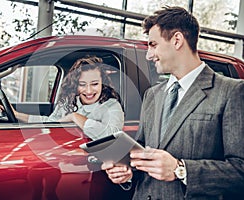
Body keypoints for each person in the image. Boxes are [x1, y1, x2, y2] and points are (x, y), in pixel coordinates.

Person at [102, 6, 244, 199]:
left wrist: (181, 169)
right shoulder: (152, 94)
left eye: (153, 44)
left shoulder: (231, 91)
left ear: (177, 40)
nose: (148, 55)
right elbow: (143, 149)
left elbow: (240, 171)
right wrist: (127, 169)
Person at [14, 55, 124, 140]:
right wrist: (17, 115)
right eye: (82, 84)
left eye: (94, 84)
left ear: (102, 83)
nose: (89, 91)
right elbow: (51, 122)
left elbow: (112, 135)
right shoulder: (68, 102)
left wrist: (75, 117)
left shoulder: (112, 106)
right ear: (75, 85)